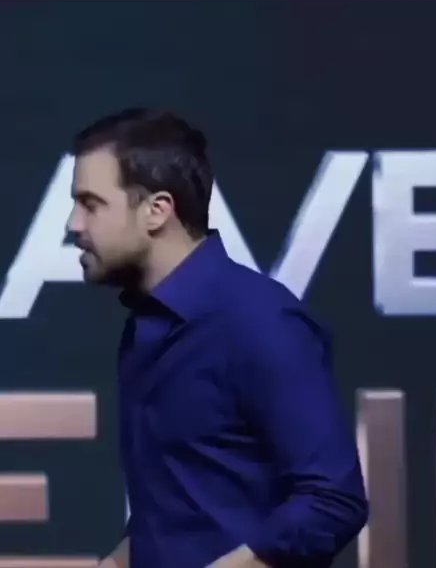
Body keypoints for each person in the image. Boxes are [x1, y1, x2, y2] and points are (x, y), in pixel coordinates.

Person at [66, 108, 368, 568]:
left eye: (91, 204)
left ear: (157, 210)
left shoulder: (258, 321)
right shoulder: (146, 327)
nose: (74, 224)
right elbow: (183, 509)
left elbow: (333, 500)